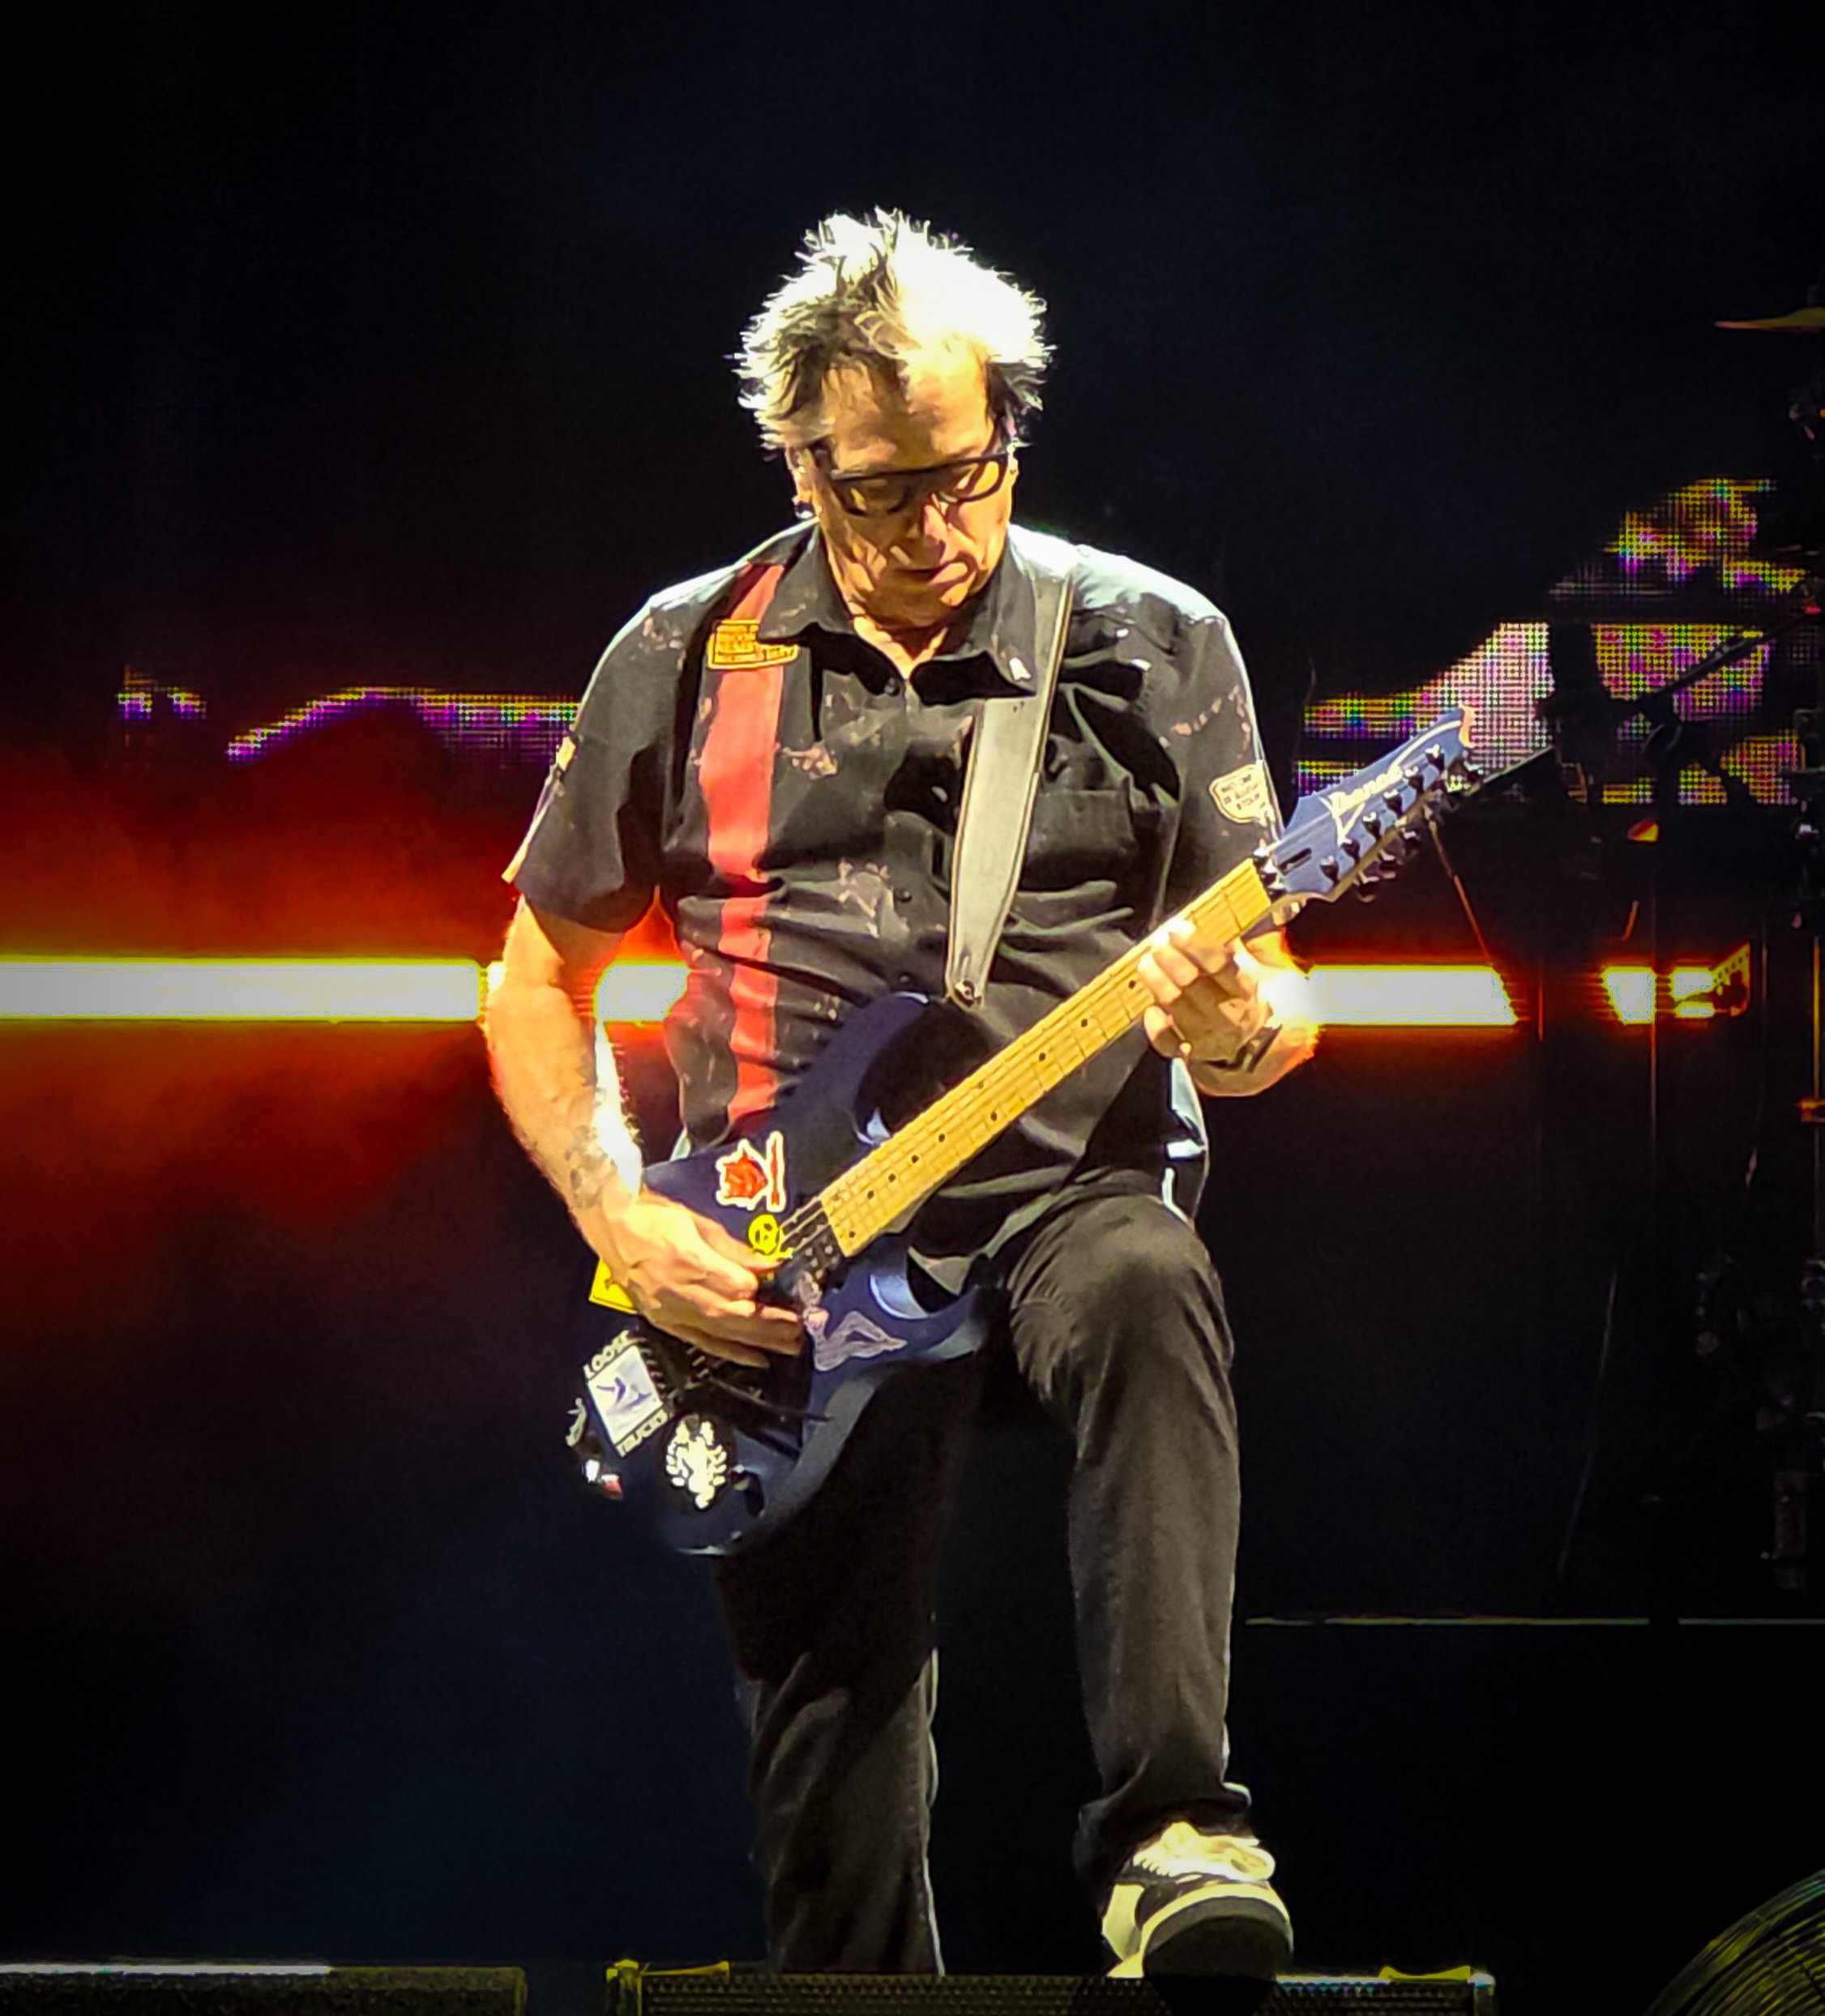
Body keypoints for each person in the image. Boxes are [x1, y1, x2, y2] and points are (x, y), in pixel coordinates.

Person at [485, 211, 1317, 1983]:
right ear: (796, 459)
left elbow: (1268, 1016)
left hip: (1061, 1201)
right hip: (781, 1260)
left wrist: (1237, 1021)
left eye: (972, 475)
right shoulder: (686, 653)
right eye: (878, 493)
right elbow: (535, 976)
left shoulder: (1154, 645)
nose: (936, 532)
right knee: (831, 1813)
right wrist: (623, 1212)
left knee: (1151, 1281)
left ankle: (1174, 1833)